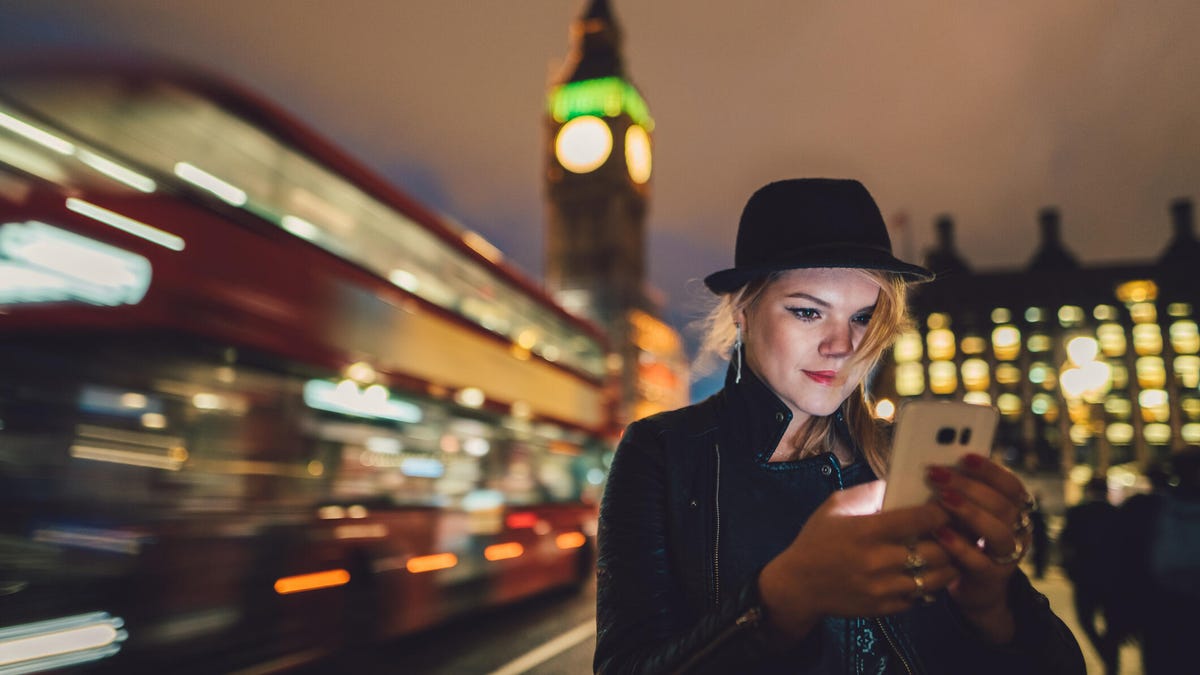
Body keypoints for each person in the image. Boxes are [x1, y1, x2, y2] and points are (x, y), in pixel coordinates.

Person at [593, 178, 1084, 674]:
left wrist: (992, 607)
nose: (843, 346)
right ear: (743, 308)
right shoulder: (664, 452)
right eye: (808, 312)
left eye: (864, 317)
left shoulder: (908, 460)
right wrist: (783, 600)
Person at [1059, 477, 1121, 675]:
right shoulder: (1117, 513)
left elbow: (1066, 542)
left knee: (1086, 620)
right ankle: (1111, 661)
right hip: (1112, 578)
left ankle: (1107, 656)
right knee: (1112, 624)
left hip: (1084, 577)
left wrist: (1068, 568)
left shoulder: (1078, 512)